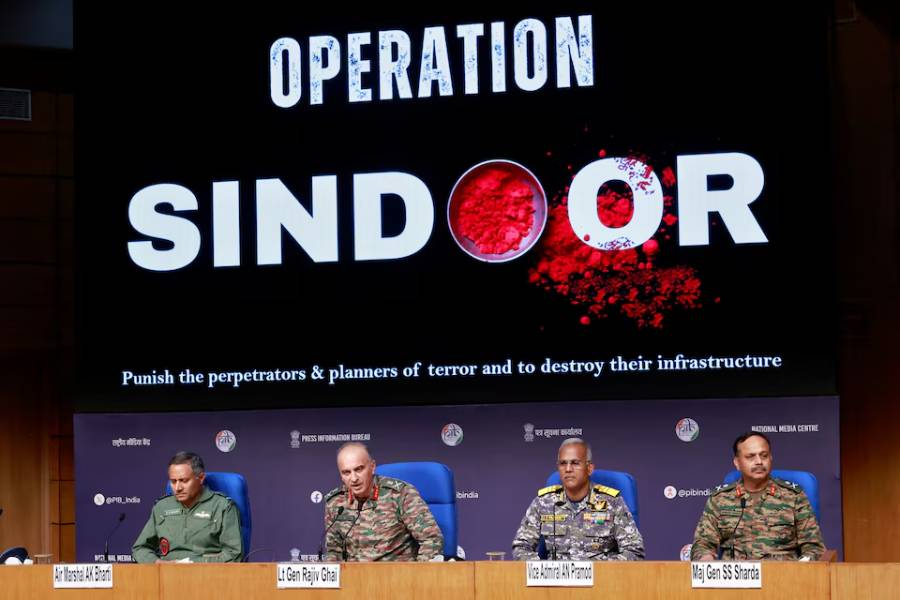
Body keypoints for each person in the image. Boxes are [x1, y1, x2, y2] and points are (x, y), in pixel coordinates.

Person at [690, 432, 825, 561]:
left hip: (783, 574)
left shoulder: (794, 496)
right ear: (737, 462)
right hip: (736, 576)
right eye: (750, 457)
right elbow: (702, 543)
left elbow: (814, 547)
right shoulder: (720, 499)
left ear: (771, 458)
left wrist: (802, 566)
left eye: (764, 455)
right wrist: (705, 559)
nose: (759, 461)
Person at [511, 438, 644, 560]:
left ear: (589, 468)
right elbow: (521, 547)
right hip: (556, 577)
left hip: (600, 576)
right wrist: (543, 570)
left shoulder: (613, 502)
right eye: (563, 463)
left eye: (575, 463)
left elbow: (634, 550)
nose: (568, 469)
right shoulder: (543, 503)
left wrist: (602, 571)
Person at [323, 442, 443, 561]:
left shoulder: (400, 494)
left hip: (398, 572)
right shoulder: (335, 502)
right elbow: (334, 552)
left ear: (372, 467)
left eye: (359, 469)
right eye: (346, 472)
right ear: (341, 475)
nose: (354, 478)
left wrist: (416, 572)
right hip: (354, 573)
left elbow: (432, 540)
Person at [132, 451, 243, 563]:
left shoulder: (223, 506)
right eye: (173, 481)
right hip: (167, 571)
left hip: (206, 572)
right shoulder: (162, 506)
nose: (178, 488)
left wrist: (192, 564)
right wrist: (158, 563)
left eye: (184, 481)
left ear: (201, 478)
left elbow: (233, 554)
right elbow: (140, 549)